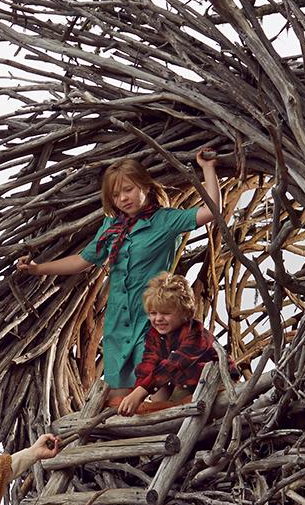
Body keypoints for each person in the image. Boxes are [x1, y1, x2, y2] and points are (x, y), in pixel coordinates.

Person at [15, 146, 226, 405]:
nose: (123, 198)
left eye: (128, 189)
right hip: (117, 322)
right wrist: (38, 268)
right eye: (116, 194)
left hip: (151, 319)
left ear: (144, 187)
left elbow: (212, 211)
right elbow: (83, 260)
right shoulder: (111, 227)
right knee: (117, 397)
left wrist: (207, 168)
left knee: (152, 391)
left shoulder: (165, 220)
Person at [116, 273, 218, 415]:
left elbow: (174, 365)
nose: (158, 319)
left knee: (173, 404)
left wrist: (141, 392)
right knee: (154, 392)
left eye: (165, 313)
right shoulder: (155, 334)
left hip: (208, 383)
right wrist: (137, 392)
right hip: (180, 381)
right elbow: (148, 364)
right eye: (153, 313)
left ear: (185, 313)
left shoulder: (196, 335)